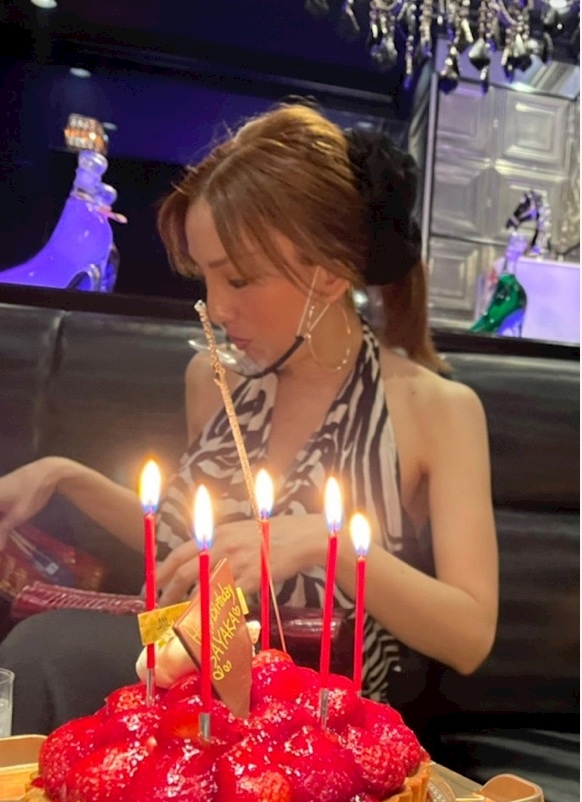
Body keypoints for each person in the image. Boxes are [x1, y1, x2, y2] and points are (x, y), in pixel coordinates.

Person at [0, 103, 498, 737]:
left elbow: (469, 636)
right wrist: (64, 476)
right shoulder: (215, 380)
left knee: (48, 653)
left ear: (328, 274)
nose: (215, 308)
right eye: (205, 277)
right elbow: (190, 550)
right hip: (186, 675)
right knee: (51, 652)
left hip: (316, 721)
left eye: (237, 279)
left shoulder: (435, 409)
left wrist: (323, 542)